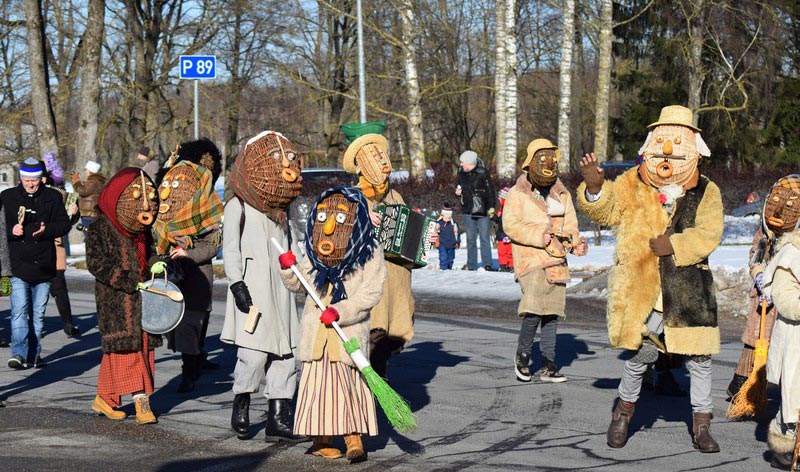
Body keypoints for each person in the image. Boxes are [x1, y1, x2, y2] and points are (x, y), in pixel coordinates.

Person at [578, 105, 723, 453]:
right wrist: (595, 188)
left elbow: (710, 232)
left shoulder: (707, 190)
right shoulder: (633, 182)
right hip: (646, 289)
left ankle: (701, 425)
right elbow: (608, 211)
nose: (669, 150)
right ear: (650, 143)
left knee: (700, 360)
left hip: (689, 289)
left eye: (678, 140)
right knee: (639, 357)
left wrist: (674, 245)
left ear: (694, 146)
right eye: (663, 140)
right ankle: (623, 415)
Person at [279, 186, 386, 462]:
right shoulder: (316, 249)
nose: (328, 224)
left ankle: (354, 439)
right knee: (318, 388)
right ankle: (320, 440)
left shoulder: (369, 249)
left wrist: (342, 310)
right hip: (317, 333)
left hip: (346, 331)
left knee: (347, 386)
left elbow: (371, 293)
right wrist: (288, 268)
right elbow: (298, 282)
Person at [221, 131, 305, 442]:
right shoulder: (238, 208)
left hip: (281, 293)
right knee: (253, 355)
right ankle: (241, 405)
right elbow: (230, 249)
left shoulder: (284, 212)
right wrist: (237, 283)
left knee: (286, 354)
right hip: (253, 291)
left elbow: (292, 247)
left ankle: (278, 418)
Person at [504, 139, 587, 383]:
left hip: (556, 259)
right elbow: (510, 225)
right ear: (530, 164)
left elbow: (570, 225)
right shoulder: (517, 194)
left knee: (551, 312)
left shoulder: (562, 194)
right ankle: (522, 357)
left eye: (551, 159)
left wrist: (575, 243)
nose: (548, 165)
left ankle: (549, 364)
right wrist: (537, 236)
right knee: (533, 309)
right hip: (530, 259)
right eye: (542, 160)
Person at [86, 168, 162, 424]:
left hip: (144, 300)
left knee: (139, 349)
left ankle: (105, 398)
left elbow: (150, 253)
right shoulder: (101, 227)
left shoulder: (142, 229)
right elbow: (96, 263)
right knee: (126, 352)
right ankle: (142, 403)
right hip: (116, 301)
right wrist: (128, 281)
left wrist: (155, 264)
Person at [341, 133, 417, 381]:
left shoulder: (395, 196)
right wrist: (363, 222)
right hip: (369, 280)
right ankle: (368, 383)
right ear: (362, 165)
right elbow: (338, 235)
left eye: (383, 155)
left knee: (393, 334)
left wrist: (425, 237)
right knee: (373, 333)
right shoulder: (352, 196)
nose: (383, 162)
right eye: (375, 157)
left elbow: (409, 235)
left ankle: (376, 377)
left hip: (397, 279)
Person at [153, 156, 223, 393]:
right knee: (182, 329)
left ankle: (191, 371)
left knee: (194, 326)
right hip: (174, 279)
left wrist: (188, 252)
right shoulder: (163, 215)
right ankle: (189, 371)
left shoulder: (205, 212)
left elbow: (212, 246)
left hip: (198, 278)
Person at [727, 175, 800, 400]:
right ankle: (742, 386)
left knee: (782, 342)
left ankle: (779, 386)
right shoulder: (765, 232)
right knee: (756, 341)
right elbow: (755, 256)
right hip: (764, 299)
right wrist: (759, 274)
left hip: (788, 295)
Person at [2, 158, 71, 369]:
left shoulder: (52, 197)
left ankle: (34, 353)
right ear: (20, 177)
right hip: (18, 265)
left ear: (40, 178)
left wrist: (46, 231)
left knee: (37, 315)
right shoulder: (7, 197)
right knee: (19, 311)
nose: (30, 184)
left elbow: (64, 224)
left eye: (33, 180)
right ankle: (19, 353)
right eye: (26, 179)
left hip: (43, 264)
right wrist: (12, 230)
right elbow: (0, 227)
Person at [762, 227, 800, 470]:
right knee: (794, 401)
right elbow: (784, 299)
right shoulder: (791, 253)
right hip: (795, 337)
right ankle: (784, 446)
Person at [41, 169, 81, 337]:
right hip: (32, 251)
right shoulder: (22, 195)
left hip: (55, 245)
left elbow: (66, 222)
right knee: (33, 290)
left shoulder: (59, 194)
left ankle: (68, 323)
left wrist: (73, 213)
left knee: (59, 286)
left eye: (40, 177)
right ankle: (33, 324)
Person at [455, 150, 496, 271]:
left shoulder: (483, 172)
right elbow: (458, 186)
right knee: (471, 239)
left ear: (469, 162)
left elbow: (490, 191)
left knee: (484, 238)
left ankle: (487, 263)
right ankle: (472, 265)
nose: (461, 164)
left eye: (462, 162)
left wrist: (492, 206)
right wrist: (457, 192)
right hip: (467, 209)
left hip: (483, 209)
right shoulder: (461, 173)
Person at [73, 160, 106, 231]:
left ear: (91, 171)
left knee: (89, 234)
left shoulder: (94, 181)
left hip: (90, 213)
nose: (86, 172)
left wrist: (76, 182)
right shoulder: (95, 181)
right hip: (89, 213)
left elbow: (84, 191)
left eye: (87, 170)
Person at [494, 187, 513, 272]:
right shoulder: (500, 208)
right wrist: (493, 217)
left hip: (509, 234)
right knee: (502, 251)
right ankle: (503, 265)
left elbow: (503, 220)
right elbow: (498, 220)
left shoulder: (510, 209)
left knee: (510, 251)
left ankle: (511, 265)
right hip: (501, 234)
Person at [436, 203, 459, 270]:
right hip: (442, 244)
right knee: (443, 257)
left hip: (452, 244)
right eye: (445, 217)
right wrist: (436, 241)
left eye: (448, 217)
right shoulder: (439, 223)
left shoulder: (453, 224)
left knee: (450, 258)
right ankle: (443, 269)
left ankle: (449, 268)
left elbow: (456, 233)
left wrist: (457, 242)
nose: (447, 219)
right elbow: (435, 232)